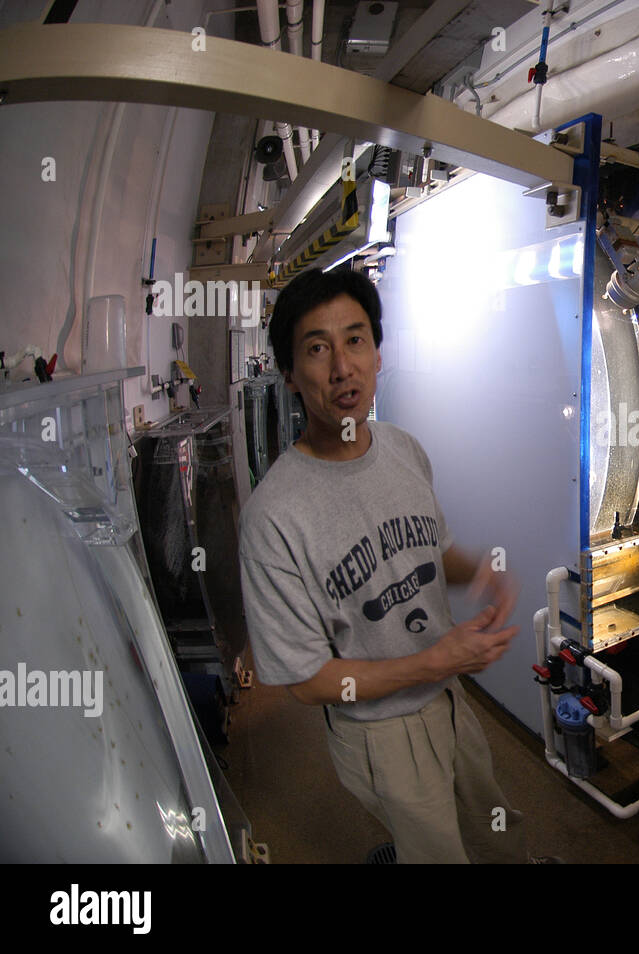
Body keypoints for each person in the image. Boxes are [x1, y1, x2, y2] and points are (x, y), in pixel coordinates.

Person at [237, 266, 525, 863]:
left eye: (356, 339)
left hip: (449, 699)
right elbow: (310, 680)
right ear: (290, 375)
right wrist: (433, 661)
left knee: (491, 823)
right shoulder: (274, 517)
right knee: (437, 852)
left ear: (377, 354)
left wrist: (479, 570)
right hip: (380, 730)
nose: (342, 366)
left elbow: (430, 553)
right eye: (317, 348)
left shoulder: (402, 448)